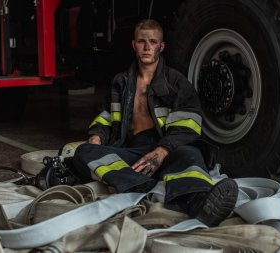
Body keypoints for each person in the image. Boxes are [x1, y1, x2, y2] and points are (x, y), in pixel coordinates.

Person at [72, 19, 238, 227]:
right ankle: (142, 185)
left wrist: (161, 152)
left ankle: (200, 204)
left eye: (153, 41)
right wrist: (97, 137)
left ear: (161, 46)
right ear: (134, 45)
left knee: (191, 155)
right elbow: (106, 116)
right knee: (83, 153)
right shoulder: (121, 82)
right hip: (132, 151)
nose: (147, 46)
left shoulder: (176, 82)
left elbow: (188, 125)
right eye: (142, 41)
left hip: (166, 148)